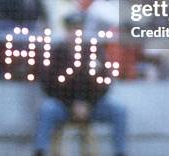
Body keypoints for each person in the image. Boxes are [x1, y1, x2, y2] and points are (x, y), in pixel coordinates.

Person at [34, 13, 127, 156]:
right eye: (71, 30)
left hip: (92, 106)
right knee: (47, 110)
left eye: (78, 29)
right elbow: (48, 85)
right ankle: (40, 151)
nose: (75, 34)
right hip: (63, 106)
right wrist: (72, 104)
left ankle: (120, 152)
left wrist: (87, 103)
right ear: (66, 31)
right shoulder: (56, 53)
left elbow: (105, 83)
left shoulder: (94, 51)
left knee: (119, 111)